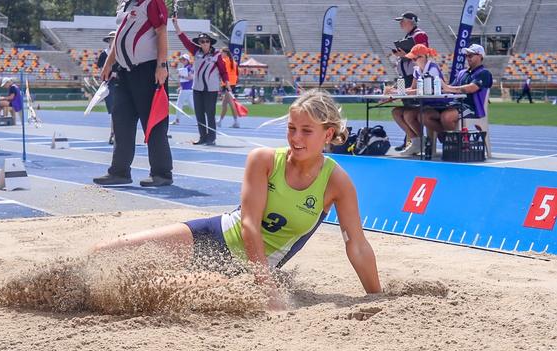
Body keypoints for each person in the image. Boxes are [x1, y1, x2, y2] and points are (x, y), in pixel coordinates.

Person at [93, 89, 382, 309]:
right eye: (292, 128)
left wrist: (377, 298)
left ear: (328, 133)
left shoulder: (336, 182)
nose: (296, 138)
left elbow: (356, 244)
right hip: (212, 236)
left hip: (242, 271)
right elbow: (249, 225)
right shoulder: (264, 159)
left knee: (141, 290)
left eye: (307, 131)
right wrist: (266, 285)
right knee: (104, 255)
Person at [93, 0, 173, 187]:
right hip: (125, 72)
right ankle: (119, 172)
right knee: (121, 122)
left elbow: (161, 31)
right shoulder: (125, 5)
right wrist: (109, 63)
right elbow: (120, 37)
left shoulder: (152, 2)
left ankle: (161, 173)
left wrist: (161, 65)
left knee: (153, 123)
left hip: (148, 70)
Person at [173, 17, 231, 146]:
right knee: (199, 114)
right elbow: (184, 40)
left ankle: (211, 137)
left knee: (210, 113)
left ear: (210, 43)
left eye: (206, 41)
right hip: (197, 88)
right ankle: (202, 137)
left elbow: (223, 71)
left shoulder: (216, 55)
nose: (204, 43)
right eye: (202, 41)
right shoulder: (196, 51)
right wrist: (176, 25)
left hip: (211, 89)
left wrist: (226, 83)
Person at [386, 44, 447, 155]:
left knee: (409, 115)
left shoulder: (433, 69)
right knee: (396, 112)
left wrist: (397, 92)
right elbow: (413, 88)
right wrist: (395, 91)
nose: (413, 61)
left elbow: (422, 90)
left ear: (423, 56)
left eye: (415, 58)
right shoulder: (417, 70)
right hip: (425, 103)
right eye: (412, 58)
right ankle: (416, 141)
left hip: (438, 104)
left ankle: (443, 137)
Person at [422, 44, 493, 138]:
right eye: (466, 55)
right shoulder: (462, 73)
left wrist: (447, 88)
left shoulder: (484, 73)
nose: (468, 58)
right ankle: (448, 138)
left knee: (447, 117)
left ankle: (455, 141)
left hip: (472, 108)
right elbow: (450, 88)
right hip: (455, 105)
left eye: (470, 55)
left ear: (480, 56)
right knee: (425, 115)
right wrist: (436, 88)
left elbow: (471, 88)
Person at [390, 12, 429, 152]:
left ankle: (417, 141)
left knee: (410, 109)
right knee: (405, 107)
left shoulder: (419, 35)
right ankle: (410, 139)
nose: (400, 23)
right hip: (405, 76)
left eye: (403, 21)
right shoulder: (409, 36)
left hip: (412, 76)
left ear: (411, 21)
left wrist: (404, 55)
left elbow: (421, 55)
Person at [97, 31, 118, 144]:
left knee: (122, 111)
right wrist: (111, 74)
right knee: (114, 111)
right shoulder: (104, 54)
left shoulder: (121, 53)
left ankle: (117, 134)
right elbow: (102, 71)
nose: (112, 41)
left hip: (122, 84)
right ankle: (113, 134)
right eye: (111, 39)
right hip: (110, 85)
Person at [217, 48, 240, 128]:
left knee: (231, 103)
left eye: (221, 53)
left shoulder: (224, 61)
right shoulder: (234, 62)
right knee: (224, 104)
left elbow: (222, 73)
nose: (220, 54)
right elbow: (237, 74)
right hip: (232, 83)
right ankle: (220, 121)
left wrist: (225, 84)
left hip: (227, 84)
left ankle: (236, 122)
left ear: (225, 53)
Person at [172, 53, 194, 125]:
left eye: (184, 59)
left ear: (187, 60)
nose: (182, 61)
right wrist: (180, 87)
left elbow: (191, 77)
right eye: (181, 59)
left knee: (179, 104)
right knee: (193, 106)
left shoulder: (188, 67)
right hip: (187, 89)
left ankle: (177, 120)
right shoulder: (186, 67)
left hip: (186, 90)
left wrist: (182, 77)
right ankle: (203, 120)